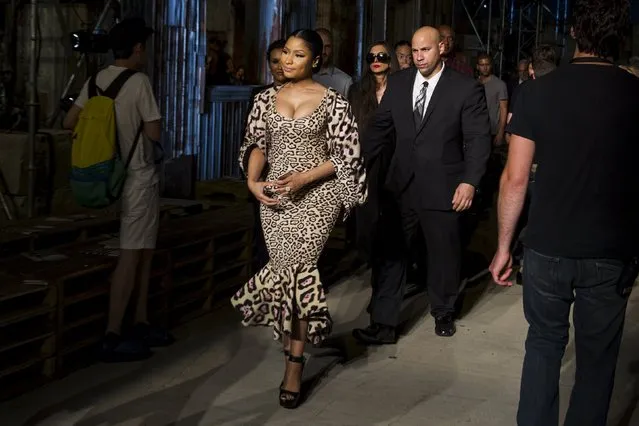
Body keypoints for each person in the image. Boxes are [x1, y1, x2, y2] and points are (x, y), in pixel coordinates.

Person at [489, 0, 639, 425]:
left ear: (574, 33)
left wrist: (503, 247)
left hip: (547, 245)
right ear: (621, 38)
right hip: (612, 250)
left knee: (543, 345)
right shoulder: (634, 94)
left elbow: (514, 179)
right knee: (596, 360)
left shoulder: (537, 91)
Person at [230, 29, 366, 409]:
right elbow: (257, 144)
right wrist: (253, 182)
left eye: (298, 55)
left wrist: (304, 177)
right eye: (285, 53)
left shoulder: (335, 103)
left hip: (317, 196)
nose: (287, 61)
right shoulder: (264, 99)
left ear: (316, 60)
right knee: (288, 275)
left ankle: (293, 364)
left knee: (299, 268)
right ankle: (298, 342)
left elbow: (346, 157)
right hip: (274, 198)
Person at [353, 26, 491, 344]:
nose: (418, 57)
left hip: (444, 185)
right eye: (414, 51)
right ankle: (383, 323)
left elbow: (478, 139)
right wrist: (351, 162)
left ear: (441, 47)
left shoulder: (465, 88)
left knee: (443, 253)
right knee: (390, 253)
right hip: (400, 184)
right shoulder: (399, 83)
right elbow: (379, 130)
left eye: (425, 50)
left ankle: (443, 312)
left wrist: (470, 182)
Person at [63, 18, 173, 362]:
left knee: (142, 250)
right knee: (131, 254)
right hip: (138, 177)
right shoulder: (139, 81)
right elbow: (153, 132)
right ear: (138, 48)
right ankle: (112, 333)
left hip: (108, 175)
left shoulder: (96, 80)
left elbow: (70, 122)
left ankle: (139, 321)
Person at [348, 41, 400, 313]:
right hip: (365, 159)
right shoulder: (358, 90)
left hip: (395, 158)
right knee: (367, 216)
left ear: (390, 60)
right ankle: (370, 258)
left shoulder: (401, 87)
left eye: (382, 55)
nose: (377, 60)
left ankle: (386, 273)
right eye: (372, 56)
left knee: (390, 216)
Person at [312, 28, 353, 96]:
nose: (323, 52)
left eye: (327, 47)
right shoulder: (299, 76)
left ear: (332, 48)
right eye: (320, 46)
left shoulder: (345, 82)